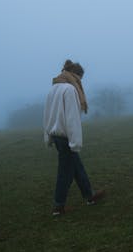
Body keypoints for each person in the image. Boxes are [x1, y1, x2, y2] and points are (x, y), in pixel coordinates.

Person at [43, 59, 105, 216]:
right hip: (66, 136)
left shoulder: (53, 88)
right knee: (65, 171)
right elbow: (72, 119)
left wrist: (48, 136)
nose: (80, 83)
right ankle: (58, 206)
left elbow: (47, 115)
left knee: (77, 167)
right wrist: (75, 142)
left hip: (57, 135)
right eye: (80, 79)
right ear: (76, 75)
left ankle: (89, 196)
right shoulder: (70, 89)